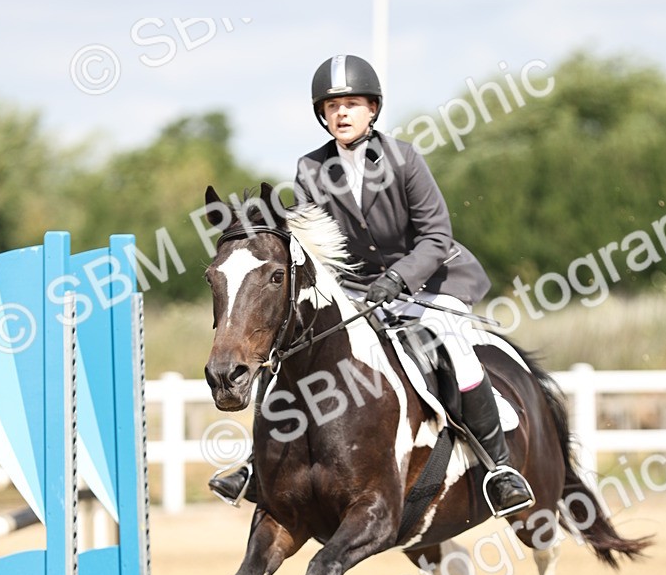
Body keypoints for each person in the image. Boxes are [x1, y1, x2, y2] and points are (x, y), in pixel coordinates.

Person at [210, 53, 533, 517]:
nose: (341, 113)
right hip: (358, 289)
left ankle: (500, 468)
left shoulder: (404, 159)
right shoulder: (311, 169)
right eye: (332, 106)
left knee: (454, 345)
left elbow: (437, 235)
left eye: (352, 104)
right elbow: (317, 241)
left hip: (429, 280)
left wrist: (399, 278)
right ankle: (256, 463)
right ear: (322, 115)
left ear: (373, 109)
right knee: (296, 349)